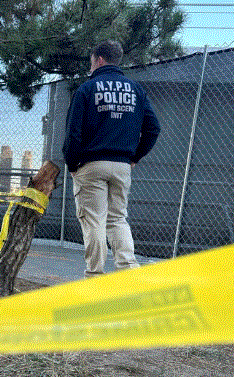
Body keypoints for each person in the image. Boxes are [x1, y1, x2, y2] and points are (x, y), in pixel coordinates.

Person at [62, 39, 161, 276]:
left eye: (91, 62)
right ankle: (128, 271)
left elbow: (73, 133)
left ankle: (95, 276)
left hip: (91, 165)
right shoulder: (136, 90)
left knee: (94, 221)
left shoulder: (86, 89)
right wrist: (135, 157)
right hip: (121, 165)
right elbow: (153, 128)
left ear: (99, 60)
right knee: (117, 219)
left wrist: (72, 164)